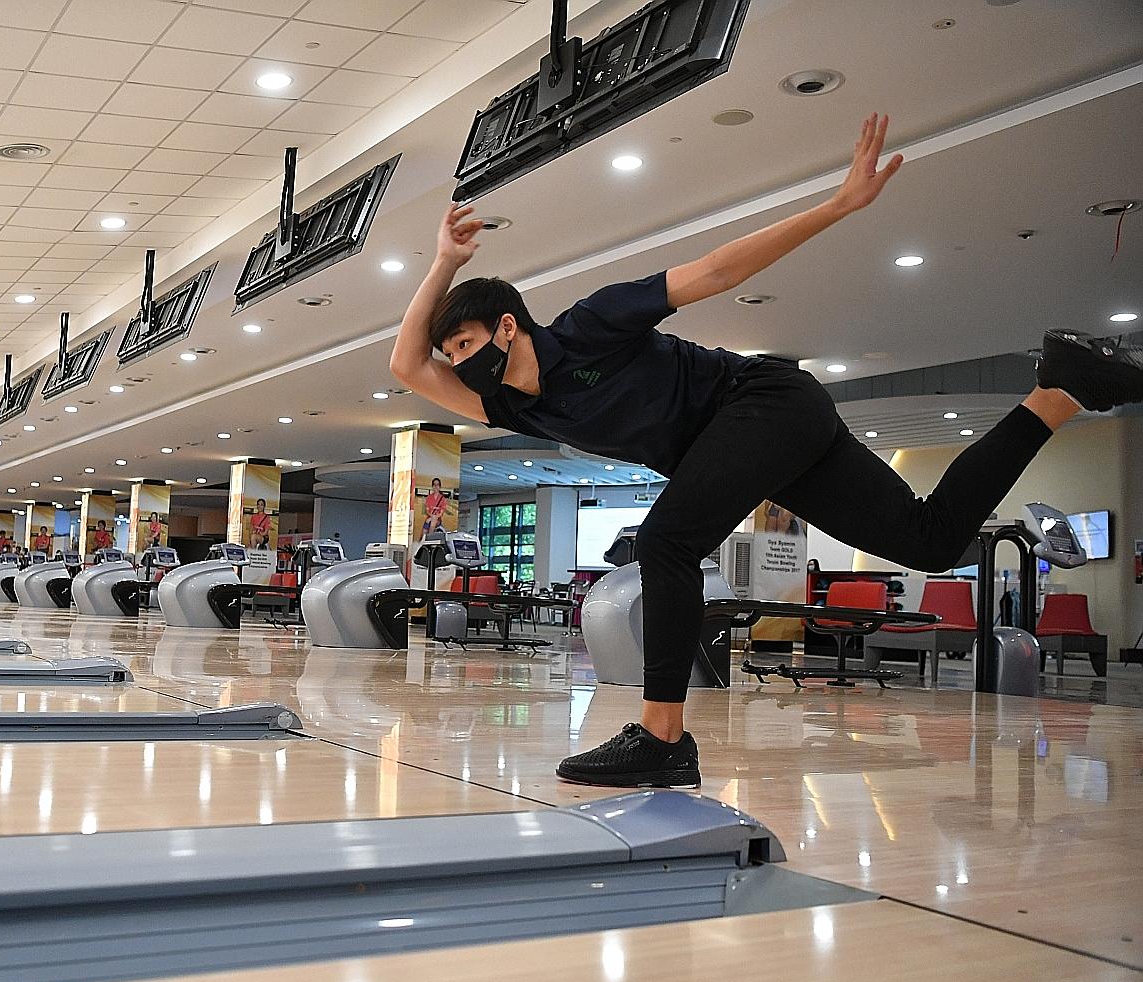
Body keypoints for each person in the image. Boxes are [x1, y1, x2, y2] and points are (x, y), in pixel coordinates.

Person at [389, 113, 1143, 789]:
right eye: (451, 351)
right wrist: (441, 265)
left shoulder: (591, 324)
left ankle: (662, 737)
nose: (456, 362)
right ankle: (1059, 391)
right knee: (932, 541)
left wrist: (839, 205)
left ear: (509, 326)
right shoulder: (516, 404)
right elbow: (405, 367)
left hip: (767, 403)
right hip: (771, 440)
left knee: (666, 541)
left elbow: (718, 270)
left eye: (464, 343)